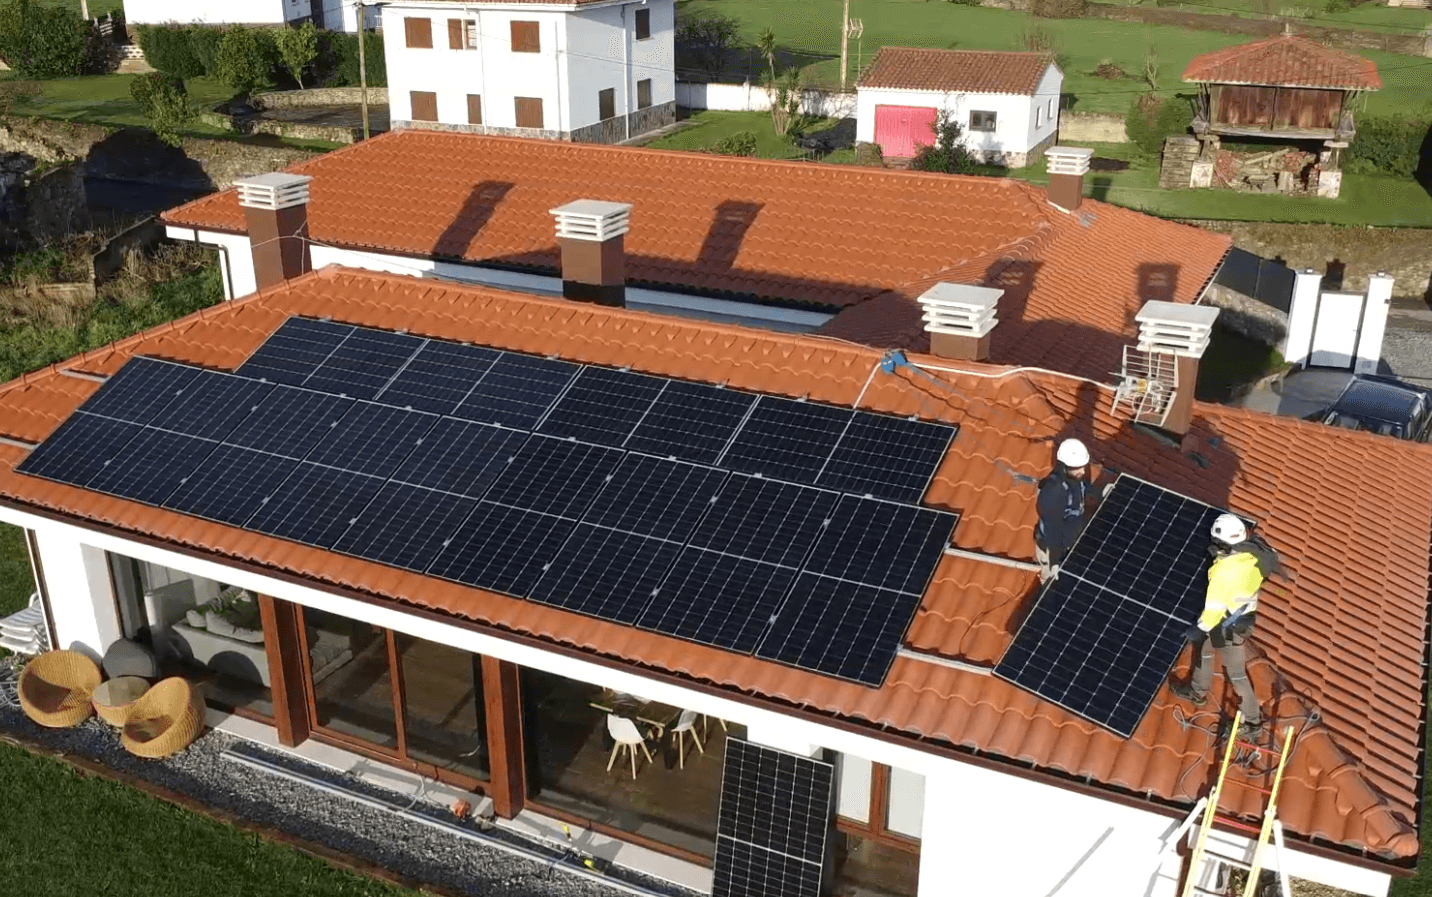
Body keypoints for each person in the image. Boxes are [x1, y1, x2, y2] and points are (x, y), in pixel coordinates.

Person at [1170, 513, 1282, 736]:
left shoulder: (1224, 572)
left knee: (1236, 673)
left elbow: (1213, 611)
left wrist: (1196, 629)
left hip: (1229, 625)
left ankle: (1252, 722)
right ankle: (1197, 690)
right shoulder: (1252, 553)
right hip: (1243, 615)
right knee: (1205, 649)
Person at [1034, 438, 1097, 582]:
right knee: (1055, 586)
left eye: (1083, 466)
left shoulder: (1074, 476)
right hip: (1052, 547)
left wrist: (1097, 492)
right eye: (1078, 468)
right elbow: (1053, 531)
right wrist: (1055, 562)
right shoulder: (1053, 494)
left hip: (1071, 540)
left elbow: (1084, 488)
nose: (1083, 471)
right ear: (1064, 466)